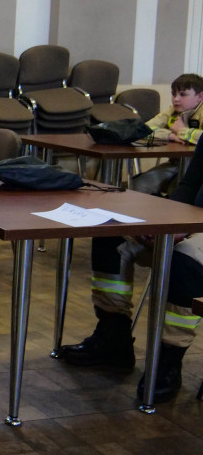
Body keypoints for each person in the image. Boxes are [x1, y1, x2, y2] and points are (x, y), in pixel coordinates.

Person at [58, 141, 203, 403]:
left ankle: (169, 359)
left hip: (198, 232)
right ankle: (114, 336)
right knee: (110, 233)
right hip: (191, 223)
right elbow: (190, 185)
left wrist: (189, 228)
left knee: (183, 260)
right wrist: (170, 222)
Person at [130, 73, 203, 195]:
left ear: (200, 96)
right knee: (139, 185)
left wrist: (182, 131)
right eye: (173, 94)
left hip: (198, 168)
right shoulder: (172, 111)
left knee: (179, 191)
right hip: (177, 164)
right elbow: (145, 129)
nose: (176, 99)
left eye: (182, 94)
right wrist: (170, 135)